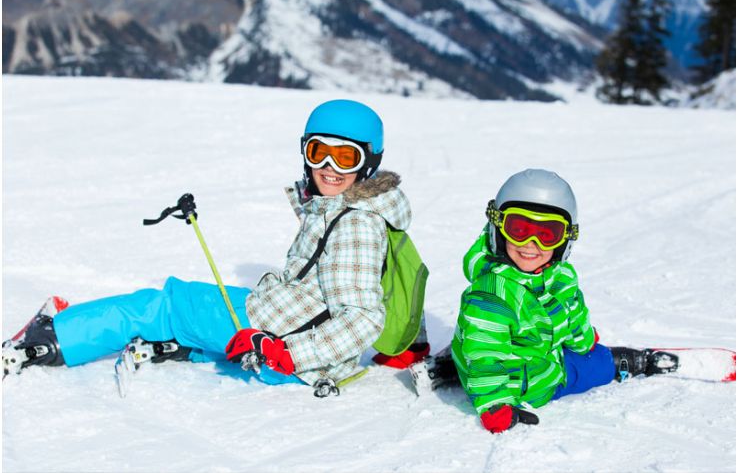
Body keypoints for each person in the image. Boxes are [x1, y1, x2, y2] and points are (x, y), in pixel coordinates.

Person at [2, 99, 428, 393]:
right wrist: (308, 201)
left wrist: (285, 352)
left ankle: (55, 338)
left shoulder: (356, 226)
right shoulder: (356, 208)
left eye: (345, 158)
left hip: (281, 345)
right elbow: (327, 244)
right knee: (213, 303)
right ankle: (188, 343)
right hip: (285, 332)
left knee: (167, 303)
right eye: (318, 153)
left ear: (368, 163)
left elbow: (363, 317)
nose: (328, 169)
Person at [448, 168, 675, 433]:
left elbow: (573, 312)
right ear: (498, 228)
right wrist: (496, 405)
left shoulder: (561, 276)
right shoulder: (491, 295)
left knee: (586, 351)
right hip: (528, 382)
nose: (530, 244)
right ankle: (625, 363)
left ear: (565, 239)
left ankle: (459, 358)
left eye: (547, 234)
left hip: (531, 352)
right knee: (592, 365)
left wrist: (584, 340)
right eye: (518, 229)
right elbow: (486, 355)